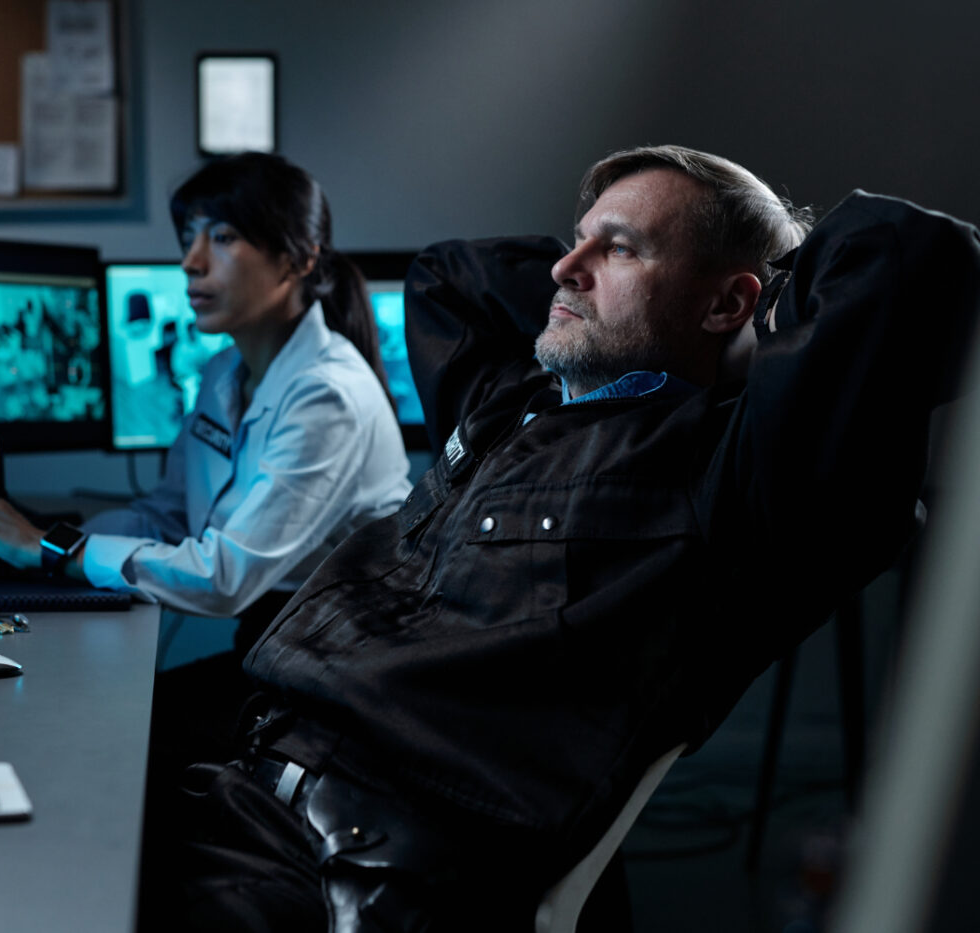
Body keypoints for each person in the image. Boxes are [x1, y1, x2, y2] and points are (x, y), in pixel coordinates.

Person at [136, 145, 980, 931]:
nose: (564, 269)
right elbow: (447, 275)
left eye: (619, 249)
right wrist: (611, 275)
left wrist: (745, 328)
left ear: (731, 302)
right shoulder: (513, 404)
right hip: (246, 785)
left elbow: (908, 257)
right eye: (578, 241)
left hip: (348, 872)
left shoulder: (732, 472)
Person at [0, 152, 412, 758]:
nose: (190, 261)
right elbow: (170, 512)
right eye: (190, 237)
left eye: (222, 237)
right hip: (275, 647)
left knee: (110, 738)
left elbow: (223, 579)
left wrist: (54, 549)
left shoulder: (327, 398)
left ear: (298, 258)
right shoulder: (227, 372)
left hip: (338, 679)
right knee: (101, 715)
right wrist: (39, 544)